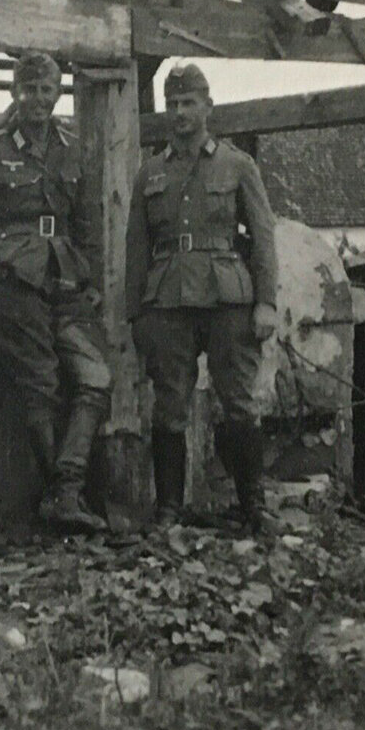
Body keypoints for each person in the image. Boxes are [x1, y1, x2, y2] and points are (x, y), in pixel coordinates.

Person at [0, 52, 110, 532]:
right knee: (42, 386)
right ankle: (64, 498)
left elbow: (86, 223)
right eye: (28, 90)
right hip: (15, 282)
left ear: (58, 95)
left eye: (46, 90)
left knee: (96, 378)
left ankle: (64, 491)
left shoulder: (71, 149)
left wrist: (89, 280)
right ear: (14, 93)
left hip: (64, 279)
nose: (37, 99)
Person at [125, 63, 279, 534]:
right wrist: (136, 314)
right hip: (167, 302)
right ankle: (169, 509)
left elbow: (264, 236)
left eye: (188, 102)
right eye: (172, 104)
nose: (179, 112)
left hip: (227, 298)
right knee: (170, 405)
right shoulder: (150, 172)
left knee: (238, 402)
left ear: (208, 107)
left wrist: (266, 301)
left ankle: (253, 506)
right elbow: (136, 247)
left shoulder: (238, 166)